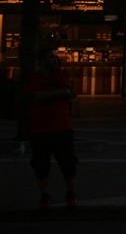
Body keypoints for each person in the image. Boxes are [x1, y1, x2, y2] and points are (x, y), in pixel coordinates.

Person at [26, 46, 78, 209]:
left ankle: (70, 193)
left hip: (61, 126)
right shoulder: (35, 77)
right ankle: (45, 194)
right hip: (41, 127)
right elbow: (36, 97)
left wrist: (46, 95)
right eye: (51, 57)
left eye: (55, 56)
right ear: (42, 60)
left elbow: (66, 93)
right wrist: (59, 93)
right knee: (41, 163)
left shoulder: (61, 74)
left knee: (68, 162)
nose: (55, 59)